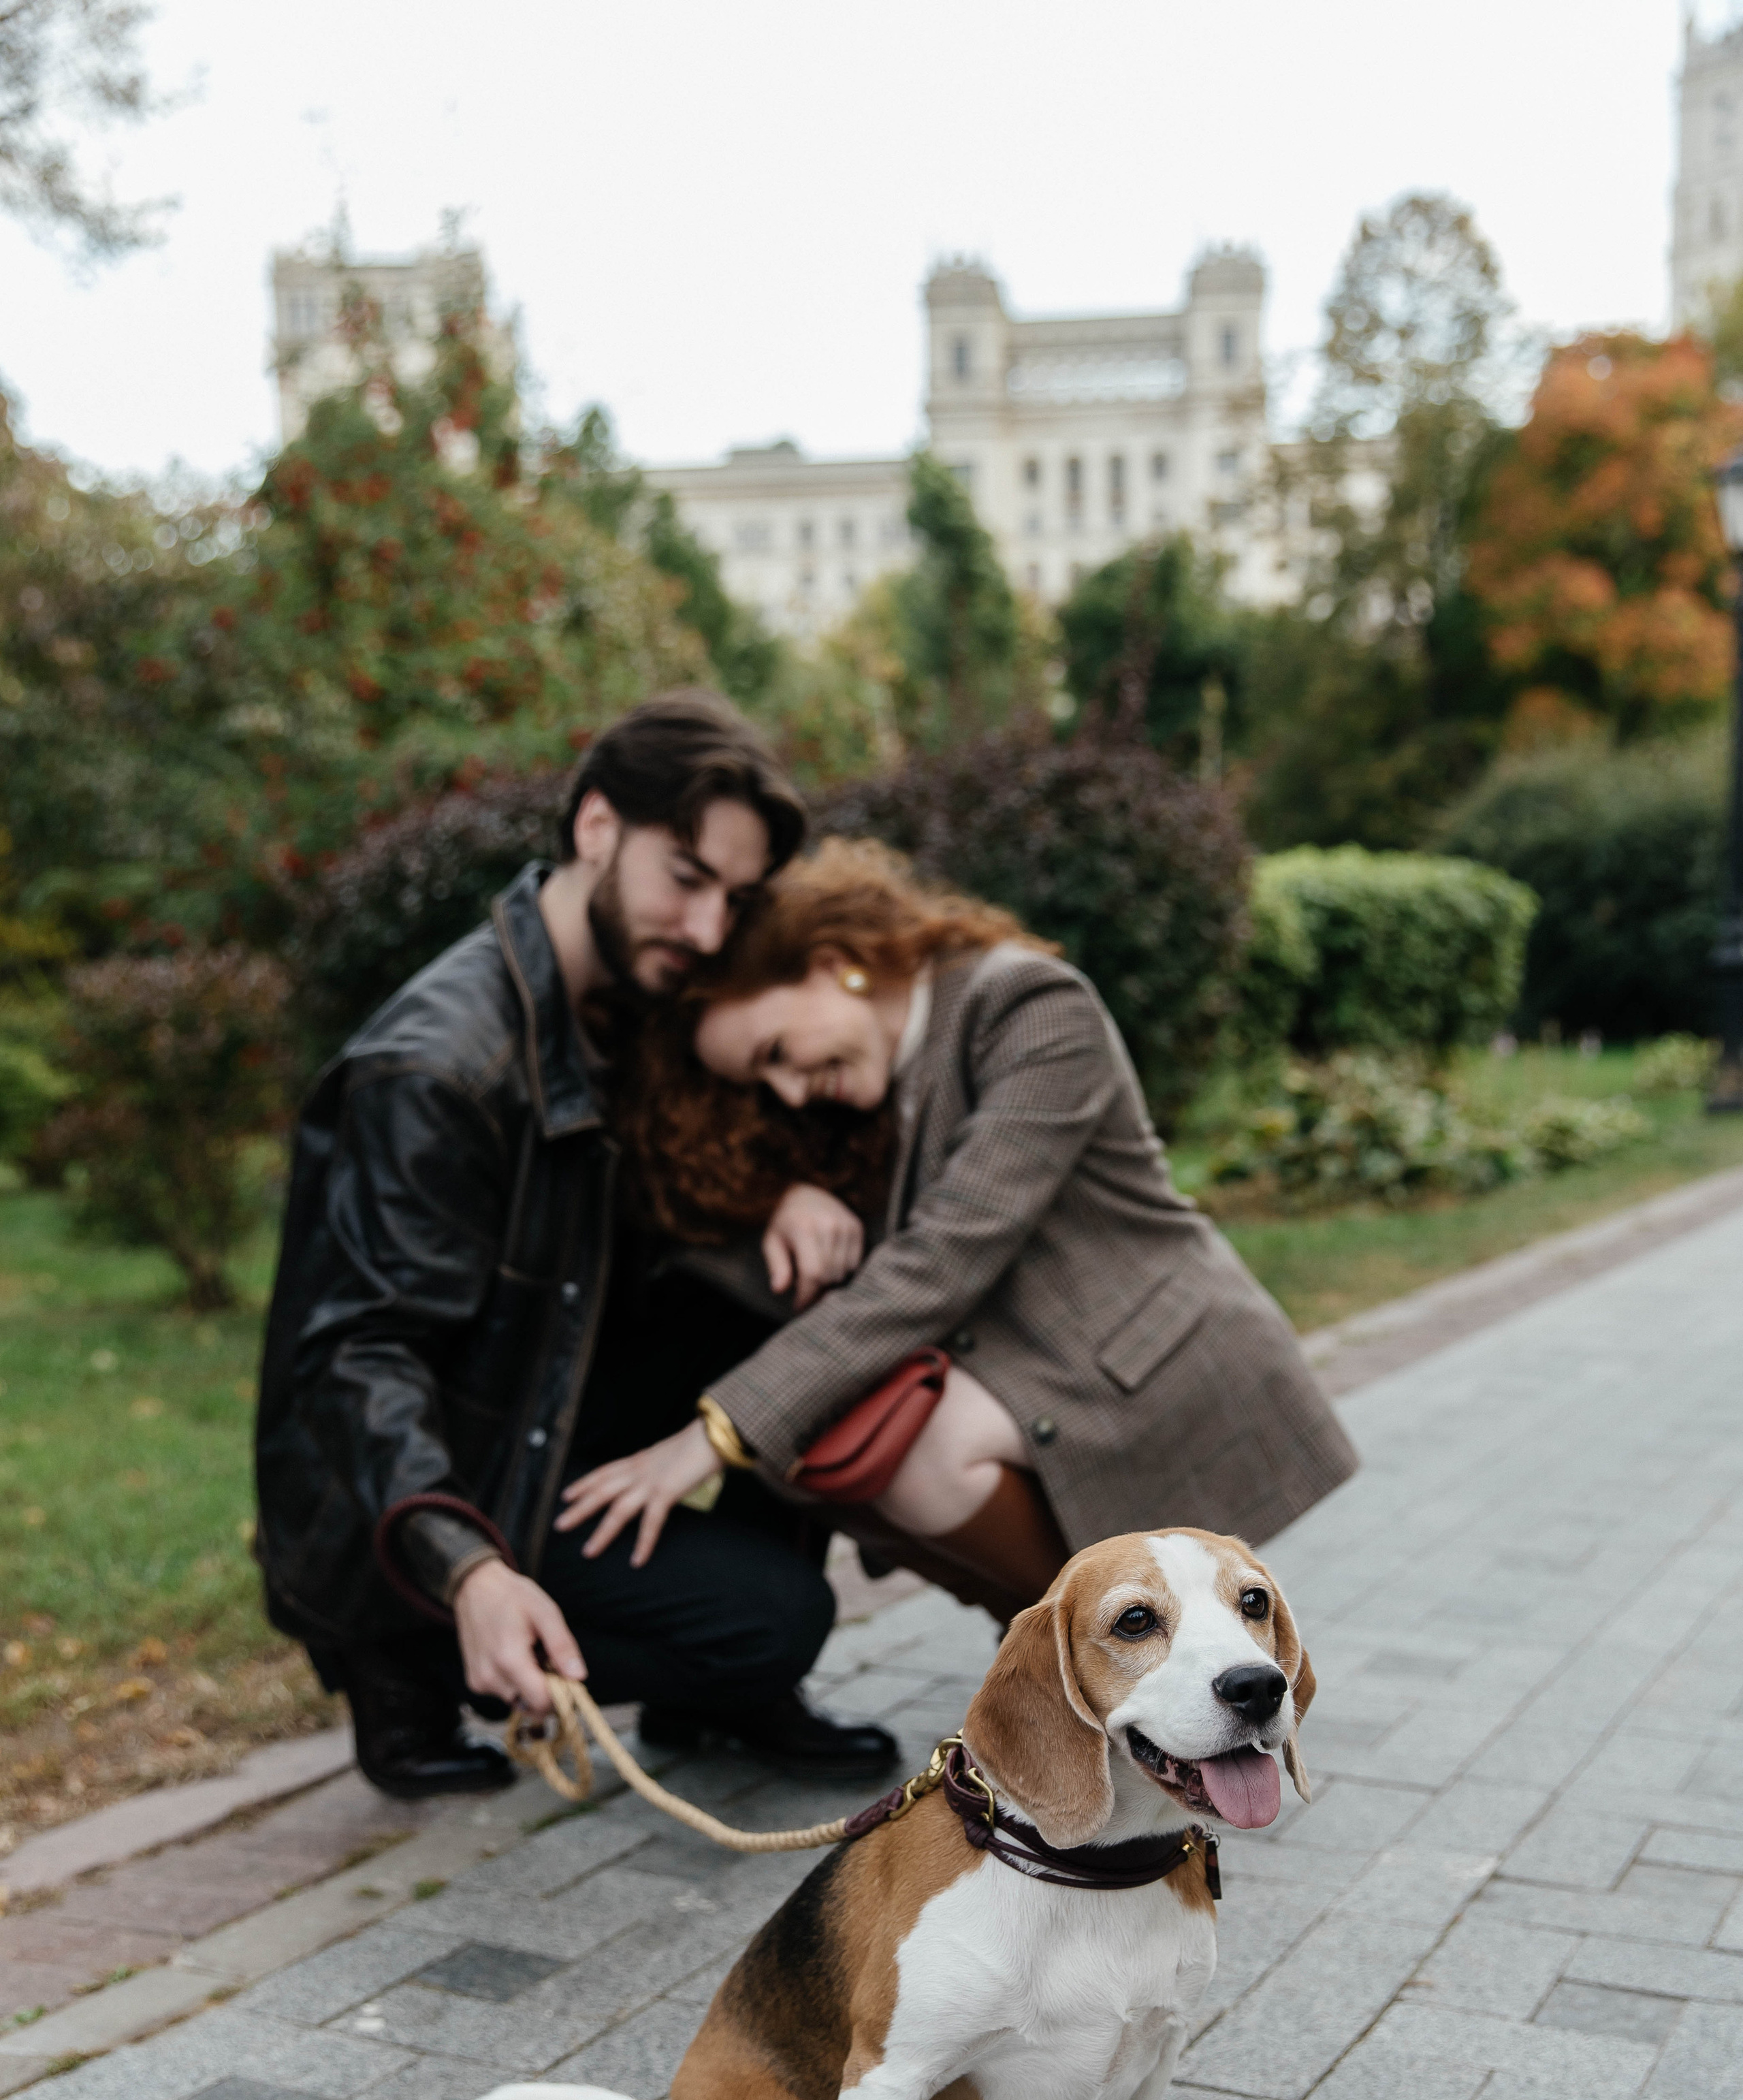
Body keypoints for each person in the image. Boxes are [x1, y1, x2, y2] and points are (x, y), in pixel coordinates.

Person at [254, 698, 900, 1800]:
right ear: (596, 826)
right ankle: (415, 1654)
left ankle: (712, 1698)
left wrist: (782, 1191)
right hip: (445, 1487)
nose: (707, 930)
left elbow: (699, 1163)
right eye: (685, 878)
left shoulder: (631, 995)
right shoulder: (437, 1067)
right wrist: (467, 1572)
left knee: (794, 1308)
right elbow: (357, 1360)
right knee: (776, 1623)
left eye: (733, 899)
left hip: (550, 1410)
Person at [558, 843, 1359, 1619]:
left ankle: (1116, 1655)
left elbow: (942, 1258)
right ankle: (1073, 1662)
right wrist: (781, 1198)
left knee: (914, 1452)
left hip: (1143, 1353)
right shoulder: (866, 1083)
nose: (790, 1095)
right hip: (1023, 1358)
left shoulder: (1030, 1008)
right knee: (820, 1452)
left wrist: (715, 1434)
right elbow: (705, 1232)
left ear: (837, 961)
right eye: (763, 1084)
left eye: (777, 1053)